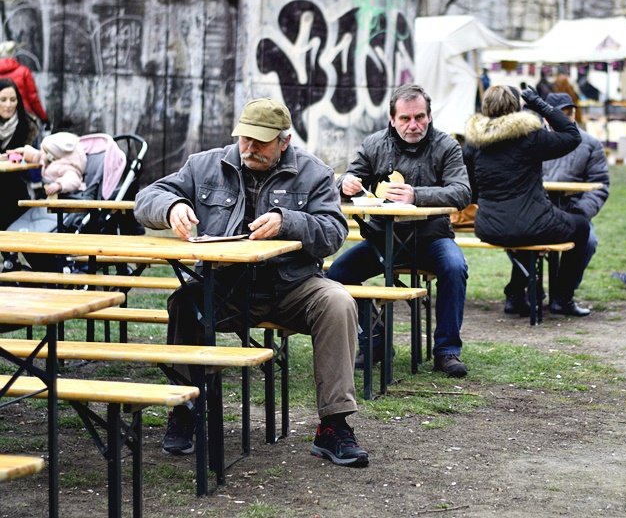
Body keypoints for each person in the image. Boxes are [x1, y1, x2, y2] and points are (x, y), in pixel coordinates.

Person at [133, 98, 368, 467]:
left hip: (293, 286)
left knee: (339, 302)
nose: (249, 148)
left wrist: (288, 221)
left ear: (284, 141)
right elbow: (147, 196)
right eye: (244, 139)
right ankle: (186, 407)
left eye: (260, 141)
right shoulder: (205, 164)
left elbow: (334, 232)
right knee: (184, 302)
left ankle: (334, 425)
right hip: (224, 286)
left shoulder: (316, 173)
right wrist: (172, 207)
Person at [327, 83, 471, 378]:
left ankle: (447, 350)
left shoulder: (447, 146)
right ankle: (375, 339)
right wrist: (346, 183)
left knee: (455, 267)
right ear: (392, 119)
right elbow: (347, 177)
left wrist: (416, 195)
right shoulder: (373, 144)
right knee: (336, 276)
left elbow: (462, 192)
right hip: (383, 240)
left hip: (432, 238)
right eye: (405, 119)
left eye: (419, 117)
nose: (413, 125)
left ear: (430, 116)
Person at [465, 85, 593, 317]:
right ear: (516, 107)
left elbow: (471, 190)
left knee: (520, 236)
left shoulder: (474, 145)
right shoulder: (530, 137)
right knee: (581, 227)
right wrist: (539, 104)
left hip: (489, 227)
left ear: (485, 108)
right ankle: (562, 298)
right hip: (532, 223)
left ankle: (516, 295)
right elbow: (572, 135)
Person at [502, 92, 610, 316]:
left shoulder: (590, 144)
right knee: (517, 235)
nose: (567, 117)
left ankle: (563, 296)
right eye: (561, 113)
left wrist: (581, 212)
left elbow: (600, 186)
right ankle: (519, 291)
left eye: (570, 112)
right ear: (546, 116)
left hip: (572, 210)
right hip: (535, 211)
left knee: (587, 240)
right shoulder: (532, 141)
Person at [0, 78, 40, 230]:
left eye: (12, 99)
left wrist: (16, 157)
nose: (8, 105)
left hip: (18, 183)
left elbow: (34, 162)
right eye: (2, 100)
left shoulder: (28, 125)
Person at [15, 131, 86, 196]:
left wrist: (59, 185)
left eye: (45, 153)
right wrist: (25, 153)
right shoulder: (51, 160)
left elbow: (73, 181)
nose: (42, 155)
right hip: (47, 193)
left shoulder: (67, 168)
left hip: (62, 197)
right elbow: (39, 156)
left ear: (52, 157)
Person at [0, 41, 47, 123]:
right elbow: (33, 98)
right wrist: (44, 118)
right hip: (23, 117)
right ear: (13, 54)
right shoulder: (24, 72)